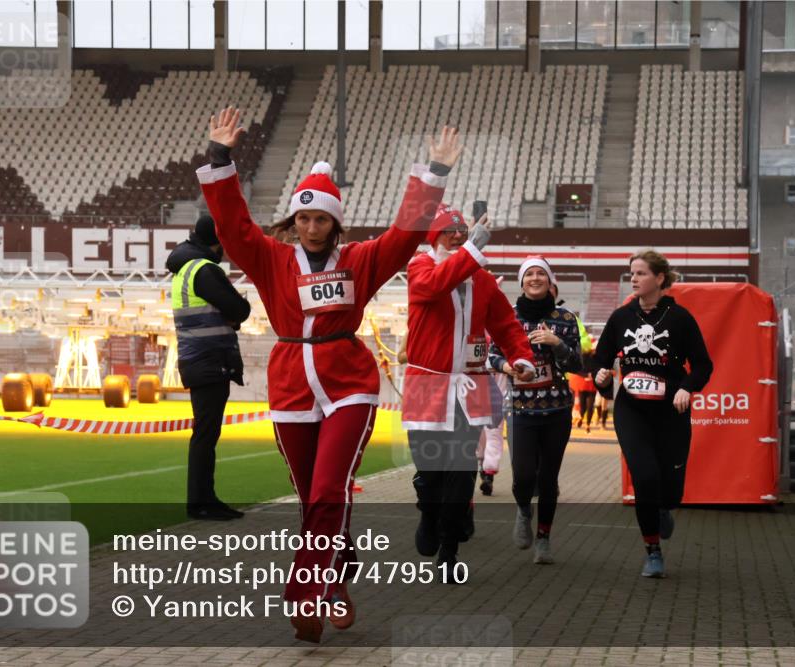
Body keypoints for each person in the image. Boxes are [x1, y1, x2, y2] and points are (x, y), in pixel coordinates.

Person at [197, 107, 460, 642]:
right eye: (304, 218)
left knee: (326, 490)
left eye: (322, 220)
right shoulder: (270, 258)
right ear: (293, 221)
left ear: (336, 223)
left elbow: (405, 235)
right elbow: (232, 225)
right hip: (292, 384)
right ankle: (334, 577)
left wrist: (434, 173)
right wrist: (220, 158)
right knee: (311, 497)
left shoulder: (361, 260)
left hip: (348, 384)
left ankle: (306, 597)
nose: (312, 228)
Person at [402, 204, 534, 582]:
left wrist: (521, 357)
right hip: (427, 387)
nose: (457, 237)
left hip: (470, 386)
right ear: (434, 237)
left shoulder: (482, 279)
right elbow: (434, 286)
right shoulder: (420, 267)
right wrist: (472, 251)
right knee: (430, 469)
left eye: (462, 232)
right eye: (449, 231)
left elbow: (506, 325)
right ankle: (428, 511)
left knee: (460, 470)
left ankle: (449, 550)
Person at [592, 249, 713, 579]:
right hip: (631, 410)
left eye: (641, 273)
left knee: (670, 488)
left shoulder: (680, 319)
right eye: (631, 272)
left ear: (660, 278)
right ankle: (652, 551)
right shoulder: (621, 317)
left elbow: (703, 364)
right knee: (644, 477)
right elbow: (600, 359)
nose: (633, 278)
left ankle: (665, 508)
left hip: (671, 410)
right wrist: (600, 376)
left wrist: (688, 387)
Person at [490, 256, 582, 565]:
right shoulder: (509, 317)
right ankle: (524, 509)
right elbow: (492, 355)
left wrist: (557, 343)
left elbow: (577, 365)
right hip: (520, 409)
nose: (534, 278)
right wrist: (508, 367)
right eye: (528, 273)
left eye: (540, 273)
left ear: (549, 280)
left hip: (557, 409)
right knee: (523, 477)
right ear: (521, 281)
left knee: (548, 480)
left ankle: (543, 538)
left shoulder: (565, 318)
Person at [166, 213, 251, 521]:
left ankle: (204, 499)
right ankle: (202, 502)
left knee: (205, 433)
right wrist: (236, 312)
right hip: (209, 360)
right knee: (205, 434)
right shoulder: (205, 269)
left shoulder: (185, 269)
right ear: (217, 243)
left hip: (199, 359)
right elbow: (239, 309)